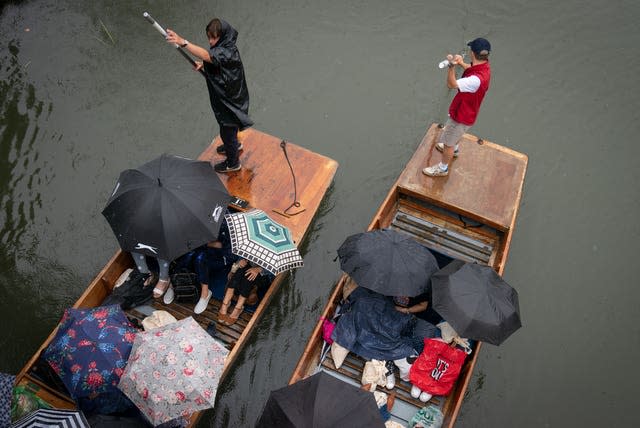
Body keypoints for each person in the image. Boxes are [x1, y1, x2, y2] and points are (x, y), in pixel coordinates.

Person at [166, 19, 253, 173]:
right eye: (209, 38)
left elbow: (209, 55)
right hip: (231, 97)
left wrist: (182, 42)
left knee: (226, 130)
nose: (211, 42)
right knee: (229, 129)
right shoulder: (225, 47)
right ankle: (234, 145)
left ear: (223, 36)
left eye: (214, 38)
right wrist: (205, 64)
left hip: (231, 101)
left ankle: (233, 163)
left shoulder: (227, 51)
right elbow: (216, 62)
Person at [423, 37, 492, 177]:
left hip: (461, 115)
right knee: (456, 136)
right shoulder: (484, 68)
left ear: (473, 52)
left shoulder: (475, 80)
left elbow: (452, 84)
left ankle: (443, 168)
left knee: (448, 143)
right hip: (469, 113)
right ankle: (454, 150)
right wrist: (461, 62)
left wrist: (451, 67)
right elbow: (472, 69)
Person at [217, 258, 273, 325]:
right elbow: (242, 257)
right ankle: (225, 304)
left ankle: (238, 309)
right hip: (249, 267)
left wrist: (259, 269)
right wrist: (239, 262)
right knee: (239, 271)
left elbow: (274, 271)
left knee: (248, 278)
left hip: (263, 275)